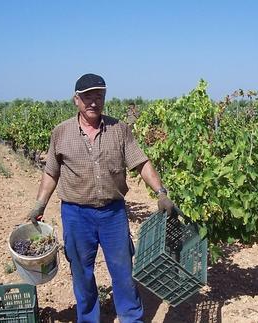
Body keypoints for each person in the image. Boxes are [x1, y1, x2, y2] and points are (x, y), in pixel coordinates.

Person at [27, 73, 177, 323]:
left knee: (123, 270)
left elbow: (141, 163)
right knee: (81, 272)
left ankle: (131, 316)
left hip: (112, 213)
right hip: (76, 214)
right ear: (76, 100)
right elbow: (51, 172)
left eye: (99, 96)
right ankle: (88, 318)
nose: (93, 102)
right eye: (88, 97)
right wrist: (40, 203)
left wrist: (161, 193)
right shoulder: (61, 133)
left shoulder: (120, 129)